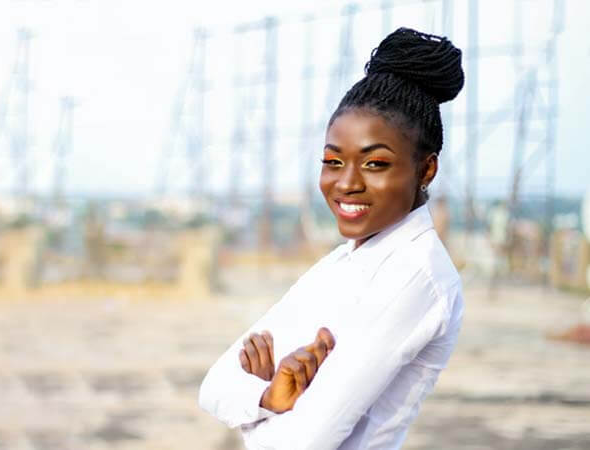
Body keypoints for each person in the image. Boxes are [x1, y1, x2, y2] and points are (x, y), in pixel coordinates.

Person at [199, 27, 465, 450]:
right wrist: (268, 396)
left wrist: (256, 412)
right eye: (332, 161)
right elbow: (213, 386)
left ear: (426, 170)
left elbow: (297, 444)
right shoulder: (343, 262)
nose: (347, 183)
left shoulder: (417, 276)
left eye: (376, 163)